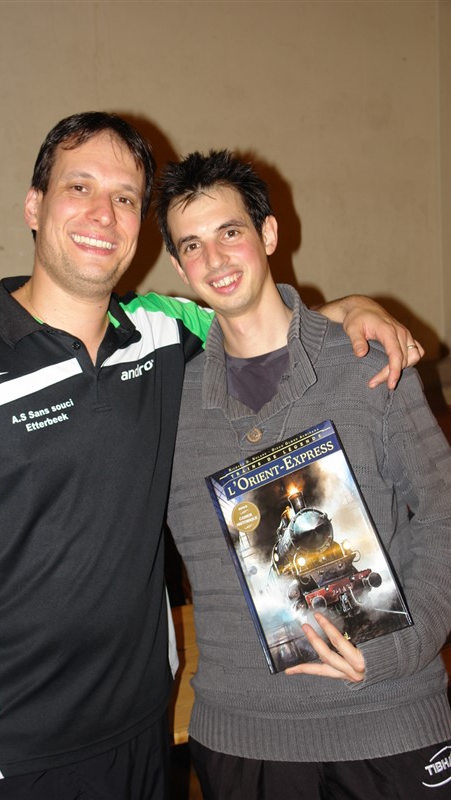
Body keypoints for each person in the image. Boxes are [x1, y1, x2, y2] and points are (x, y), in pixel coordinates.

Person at [0, 112, 423, 800]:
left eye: (124, 197)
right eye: (79, 187)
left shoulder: (162, 332)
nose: (103, 213)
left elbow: (257, 316)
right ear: (34, 206)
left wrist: (356, 307)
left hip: (141, 733)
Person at [157, 150, 451, 800]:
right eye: (192, 245)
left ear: (267, 234)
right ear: (179, 266)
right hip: (243, 742)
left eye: (230, 232)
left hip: (390, 723)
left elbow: (443, 513)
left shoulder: (368, 362)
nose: (214, 258)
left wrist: (399, 647)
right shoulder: (168, 405)